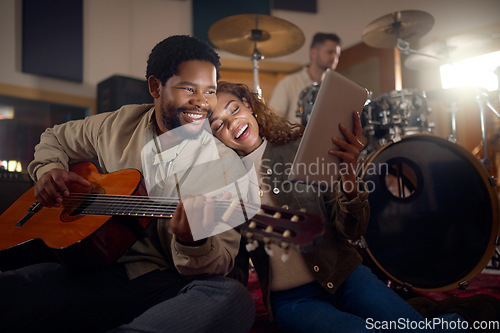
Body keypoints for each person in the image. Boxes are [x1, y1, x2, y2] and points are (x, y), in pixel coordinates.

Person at [0, 35, 255, 333]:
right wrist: (49, 170)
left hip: (164, 286)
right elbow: (55, 137)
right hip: (92, 270)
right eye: (189, 88)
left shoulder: (226, 167)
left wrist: (192, 242)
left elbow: (220, 264)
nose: (202, 102)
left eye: (209, 91)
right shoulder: (117, 123)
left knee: (231, 296)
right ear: (156, 87)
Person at [209, 81, 493, 333]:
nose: (232, 124)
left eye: (233, 109)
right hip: (294, 300)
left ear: (248, 104)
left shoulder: (300, 147)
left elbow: (351, 229)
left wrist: (348, 176)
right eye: (218, 124)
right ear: (213, 137)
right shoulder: (220, 183)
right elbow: (227, 259)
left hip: (347, 275)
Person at [269, 32, 342, 124]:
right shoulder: (288, 83)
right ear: (313, 53)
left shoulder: (334, 89)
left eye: (337, 55)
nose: (335, 58)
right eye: (330, 52)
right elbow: (274, 120)